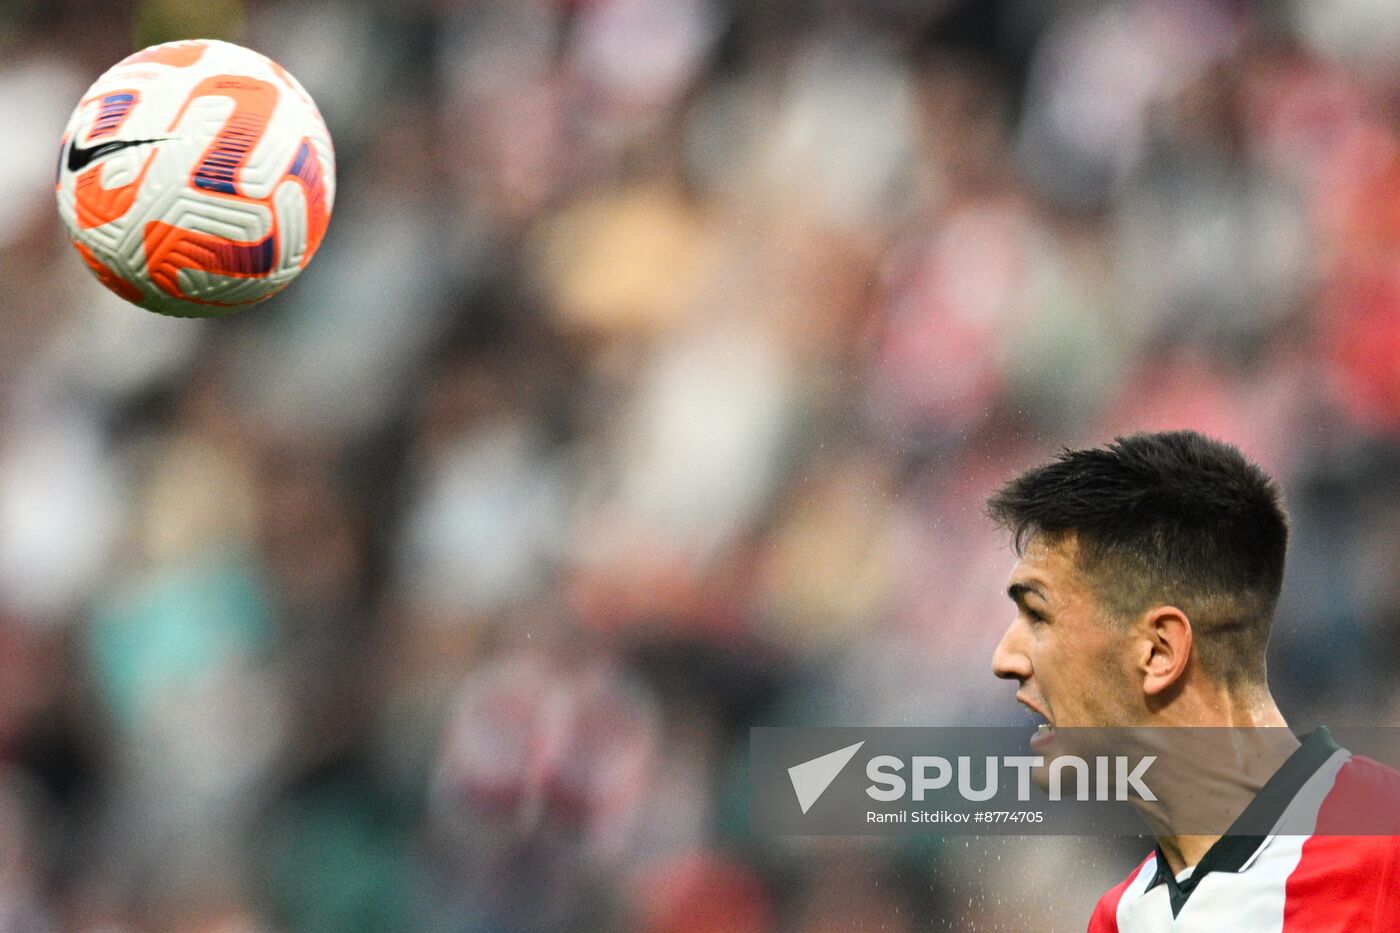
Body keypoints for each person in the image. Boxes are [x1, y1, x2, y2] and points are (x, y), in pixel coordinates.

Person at [986, 430, 1400, 931]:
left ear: (1160, 650)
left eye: (1038, 615)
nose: (1004, 658)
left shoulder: (1384, 850)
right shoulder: (1119, 918)